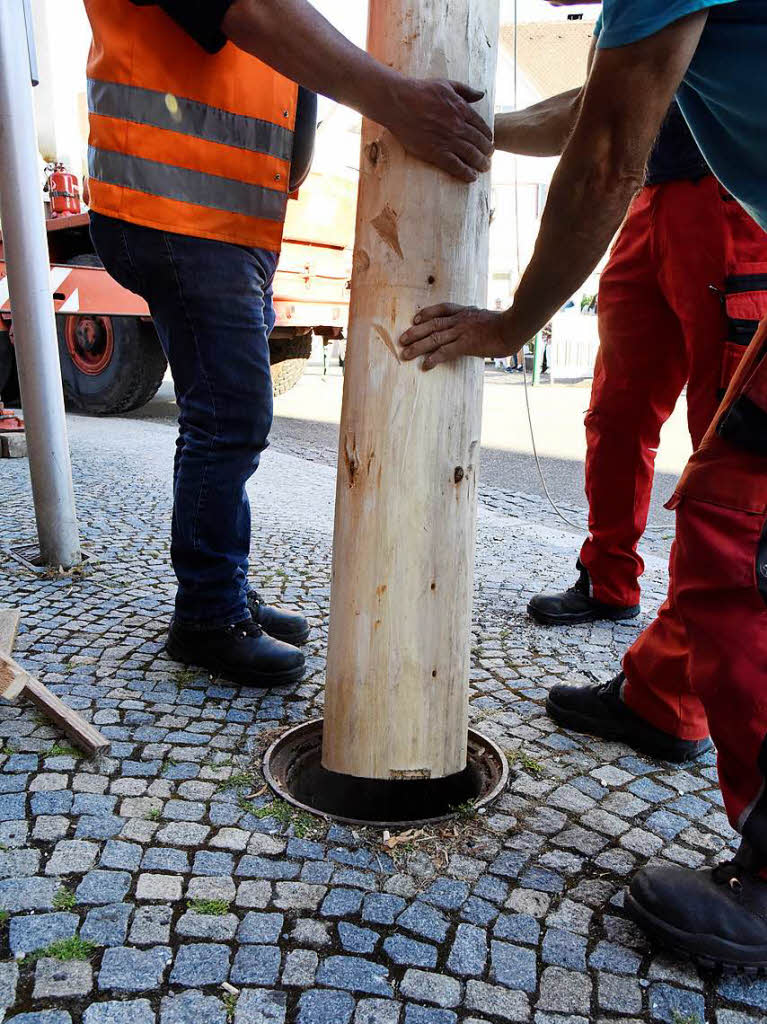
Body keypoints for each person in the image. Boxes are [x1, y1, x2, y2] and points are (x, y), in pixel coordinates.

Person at [400, 0, 767, 970]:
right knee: (701, 481)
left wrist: (512, 321)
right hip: (684, 199)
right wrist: (466, 122)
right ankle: (653, 689)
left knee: (736, 543)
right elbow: (604, 97)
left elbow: (607, 144)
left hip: (724, 219)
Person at [82, 0, 492, 688]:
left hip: (217, 210)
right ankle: (208, 614)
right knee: (232, 417)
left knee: (219, 416)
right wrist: (394, 98)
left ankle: (223, 589)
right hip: (179, 202)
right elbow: (252, 10)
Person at [497, 78, 767, 628]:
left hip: (729, 199)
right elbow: (602, 90)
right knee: (616, 412)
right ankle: (609, 578)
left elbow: (603, 111)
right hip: (649, 197)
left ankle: (690, 657)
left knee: (724, 435)